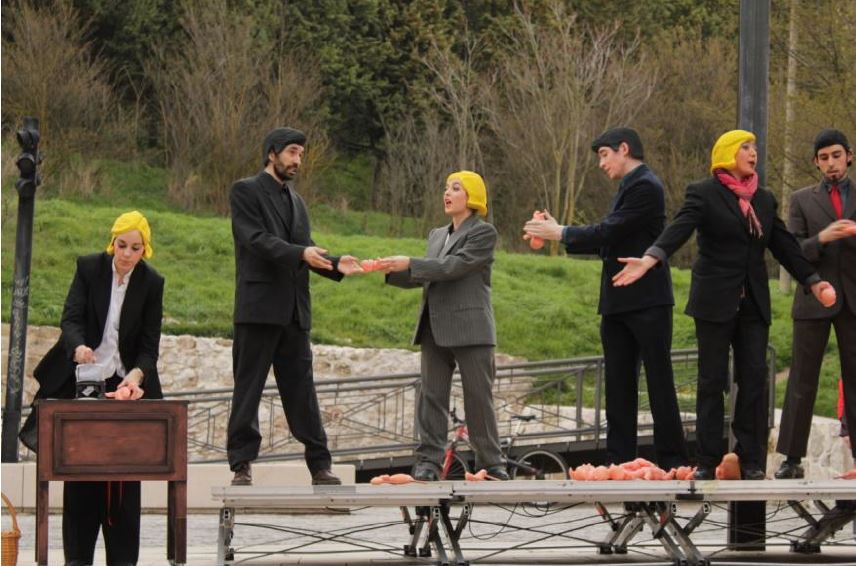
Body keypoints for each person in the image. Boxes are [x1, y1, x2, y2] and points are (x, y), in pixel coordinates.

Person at [612, 130, 834, 480]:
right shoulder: (704, 193)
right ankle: (707, 459)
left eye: (754, 147)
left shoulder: (764, 199)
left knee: (754, 379)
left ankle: (750, 458)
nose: (753, 153)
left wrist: (813, 281)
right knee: (711, 381)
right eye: (745, 147)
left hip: (753, 304)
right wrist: (651, 258)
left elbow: (784, 245)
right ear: (728, 153)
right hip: (714, 301)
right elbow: (679, 229)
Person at [523, 127, 688, 470]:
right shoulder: (628, 188)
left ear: (624, 149)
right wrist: (559, 232)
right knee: (618, 387)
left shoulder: (647, 186)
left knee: (658, 382)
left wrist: (561, 233)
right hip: (617, 302)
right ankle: (619, 462)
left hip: (648, 301)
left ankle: (673, 462)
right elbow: (608, 239)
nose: (600, 163)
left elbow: (609, 231)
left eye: (604, 154)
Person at [24, 210, 164, 566]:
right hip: (83, 378)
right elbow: (71, 318)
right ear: (112, 241)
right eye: (122, 245)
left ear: (145, 249)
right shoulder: (89, 268)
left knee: (126, 474)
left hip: (124, 384)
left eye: (135, 248)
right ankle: (77, 558)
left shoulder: (152, 282)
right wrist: (78, 347)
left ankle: (123, 559)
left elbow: (149, 346)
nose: (127, 254)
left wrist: (136, 377)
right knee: (80, 468)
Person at [227, 127, 362, 486]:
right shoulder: (245, 191)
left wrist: (336, 264)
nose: (297, 160)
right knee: (248, 389)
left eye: (301, 154)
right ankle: (241, 464)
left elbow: (306, 247)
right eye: (291, 152)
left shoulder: (298, 202)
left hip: (294, 313)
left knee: (303, 393)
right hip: (258, 310)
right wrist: (301, 253)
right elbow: (256, 240)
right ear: (271, 153)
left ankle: (320, 465)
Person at [381, 170, 508, 480]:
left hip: (471, 329)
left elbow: (453, 267)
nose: (447, 193)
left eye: (455, 188)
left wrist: (410, 262)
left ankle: (491, 464)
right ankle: (428, 463)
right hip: (433, 327)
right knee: (431, 398)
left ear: (472, 196)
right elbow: (431, 273)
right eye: (446, 188)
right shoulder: (436, 235)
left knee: (478, 399)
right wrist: (388, 270)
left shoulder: (484, 233)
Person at [775, 129, 856, 479]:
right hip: (813, 297)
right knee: (802, 380)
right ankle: (791, 459)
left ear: (849, 156)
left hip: (853, 300)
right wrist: (822, 238)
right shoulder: (801, 200)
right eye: (824, 158)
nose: (831, 163)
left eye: (836, 155)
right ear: (816, 162)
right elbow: (791, 251)